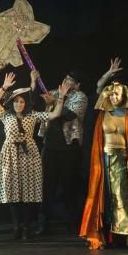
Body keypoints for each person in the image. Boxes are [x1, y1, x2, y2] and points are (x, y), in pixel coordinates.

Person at [79, 58, 128, 251]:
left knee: (124, 197)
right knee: (105, 198)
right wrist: (109, 73)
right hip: (105, 160)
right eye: (111, 94)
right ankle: (105, 235)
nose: (114, 97)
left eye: (117, 94)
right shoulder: (103, 112)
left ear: (123, 95)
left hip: (124, 161)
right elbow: (99, 86)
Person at [0, 72, 66, 240]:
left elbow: (55, 115)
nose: (19, 104)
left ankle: (26, 227)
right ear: (12, 102)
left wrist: (60, 98)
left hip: (29, 155)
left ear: (26, 103)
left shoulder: (32, 115)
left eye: (22, 101)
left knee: (27, 193)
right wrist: (4, 87)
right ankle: (16, 226)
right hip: (10, 155)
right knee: (13, 193)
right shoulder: (6, 115)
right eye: (16, 101)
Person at [36, 70, 88, 235]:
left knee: (69, 188)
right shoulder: (53, 92)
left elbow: (69, 115)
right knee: (46, 188)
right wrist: (33, 81)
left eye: (71, 80)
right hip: (50, 147)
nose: (66, 81)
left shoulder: (81, 97)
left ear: (77, 85)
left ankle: (73, 225)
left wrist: (59, 100)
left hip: (69, 150)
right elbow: (36, 108)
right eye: (65, 78)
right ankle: (43, 224)